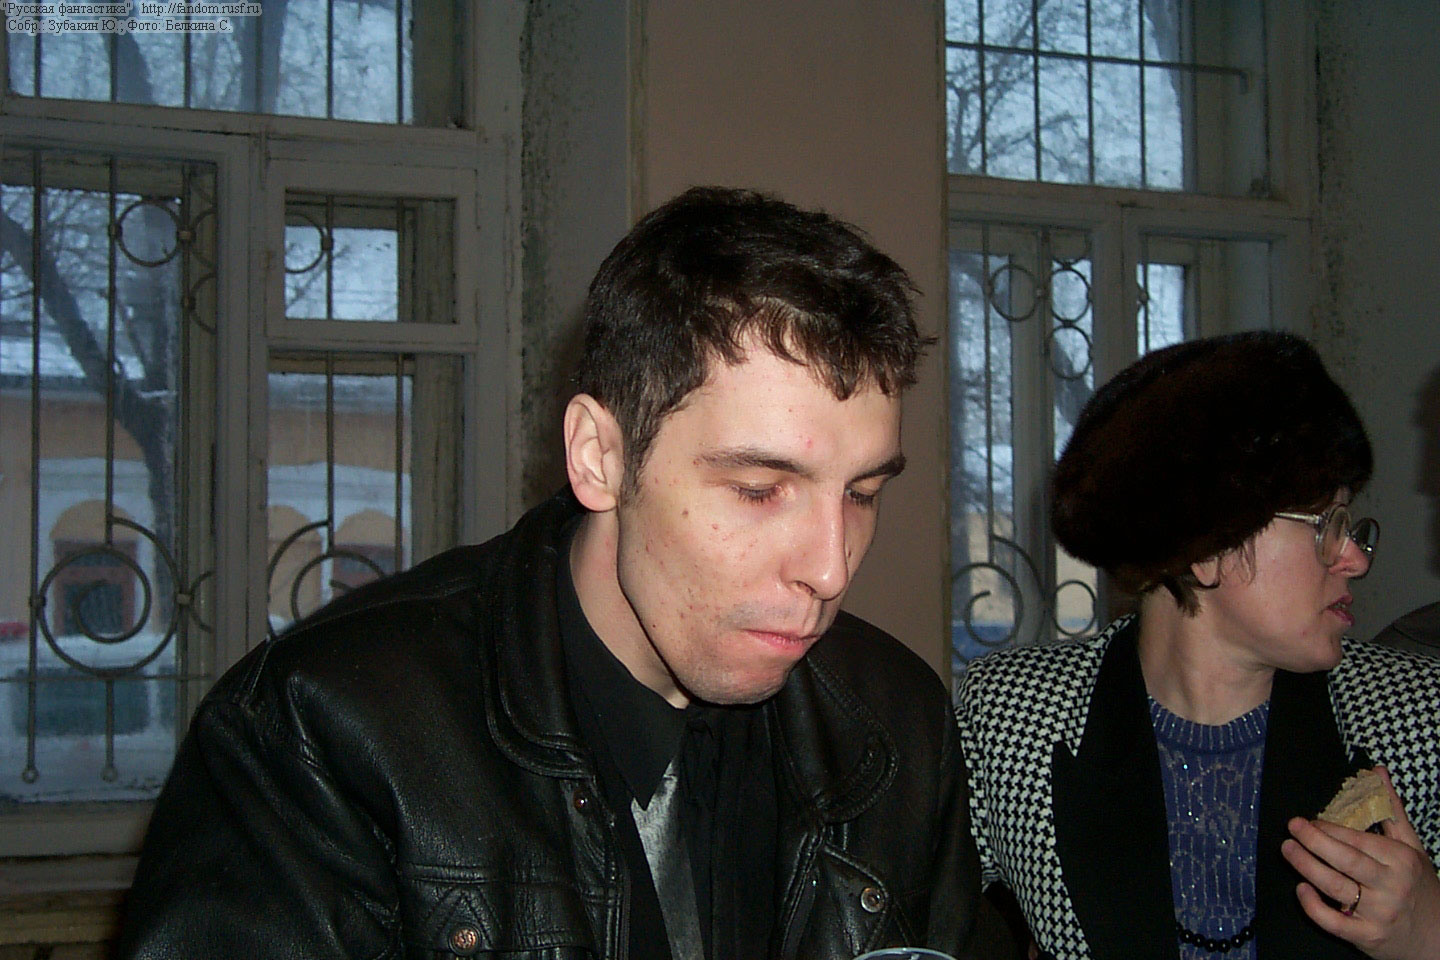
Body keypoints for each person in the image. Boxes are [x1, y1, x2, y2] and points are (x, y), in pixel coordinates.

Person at [117, 187, 981, 960]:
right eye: (759, 490)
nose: (830, 568)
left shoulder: (897, 724)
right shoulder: (321, 733)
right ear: (599, 456)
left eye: (863, 494)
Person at [954, 332, 1440, 960]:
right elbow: (912, 927)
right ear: (1205, 546)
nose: (1355, 558)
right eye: (1326, 525)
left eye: (1351, 526)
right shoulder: (1011, 718)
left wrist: (1430, 932)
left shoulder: (1417, 716)